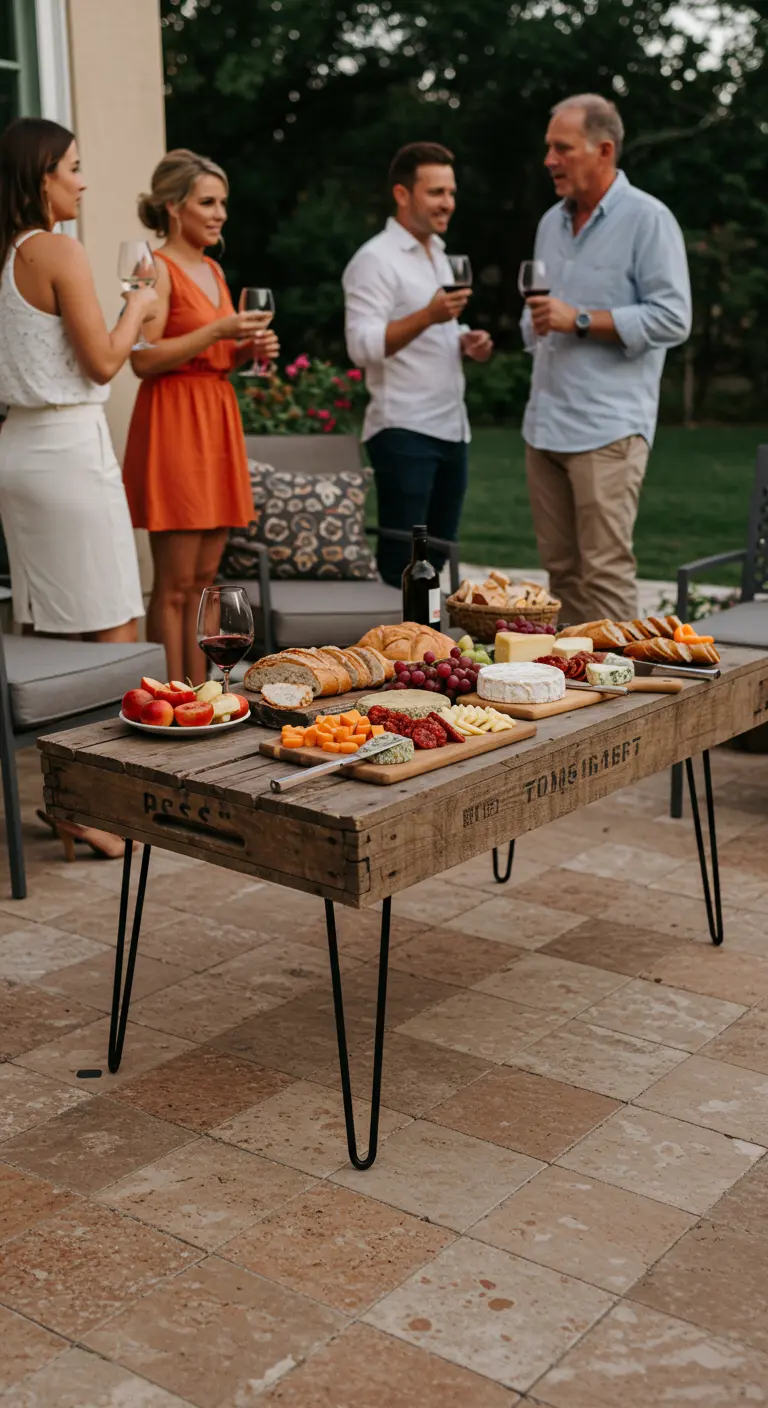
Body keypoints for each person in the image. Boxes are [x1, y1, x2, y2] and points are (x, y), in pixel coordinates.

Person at [0, 116, 158, 861]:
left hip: (20, 450)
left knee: (60, 631)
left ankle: (64, 800)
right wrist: (140, 303)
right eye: (73, 166)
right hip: (65, 448)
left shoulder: (4, 256)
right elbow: (102, 363)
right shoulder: (57, 249)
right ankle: (91, 805)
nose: (84, 180)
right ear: (40, 177)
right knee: (114, 630)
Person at [522, 94, 692, 625]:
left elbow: (673, 319)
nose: (549, 159)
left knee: (605, 571)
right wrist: (539, 322)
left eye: (561, 148)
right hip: (545, 424)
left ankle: (628, 693)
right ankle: (580, 696)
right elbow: (540, 312)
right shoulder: (551, 221)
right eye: (548, 147)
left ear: (603, 149)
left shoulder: (649, 219)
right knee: (561, 574)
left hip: (607, 430)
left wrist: (578, 319)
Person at [123, 149, 278, 684]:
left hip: (214, 417)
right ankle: (168, 697)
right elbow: (142, 358)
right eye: (207, 202)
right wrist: (219, 331)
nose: (219, 214)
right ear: (172, 207)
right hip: (174, 424)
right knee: (173, 583)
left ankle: (201, 693)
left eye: (223, 204)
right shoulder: (154, 268)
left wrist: (245, 351)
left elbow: (210, 354)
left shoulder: (212, 268)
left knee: (204, 580)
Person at [343, 141, 492, 588]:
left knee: (439, 559)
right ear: (403, 195)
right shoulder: (374, 260)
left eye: (450, 192)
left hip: (452, 429)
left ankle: (426, 651)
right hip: (404, 430)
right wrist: (429, 316)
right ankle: (390, 654)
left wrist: (464, 340)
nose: (447, 202)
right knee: (402, 561)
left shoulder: (439, 254)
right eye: (435, 192)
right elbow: (362, 345)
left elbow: (432, 329)